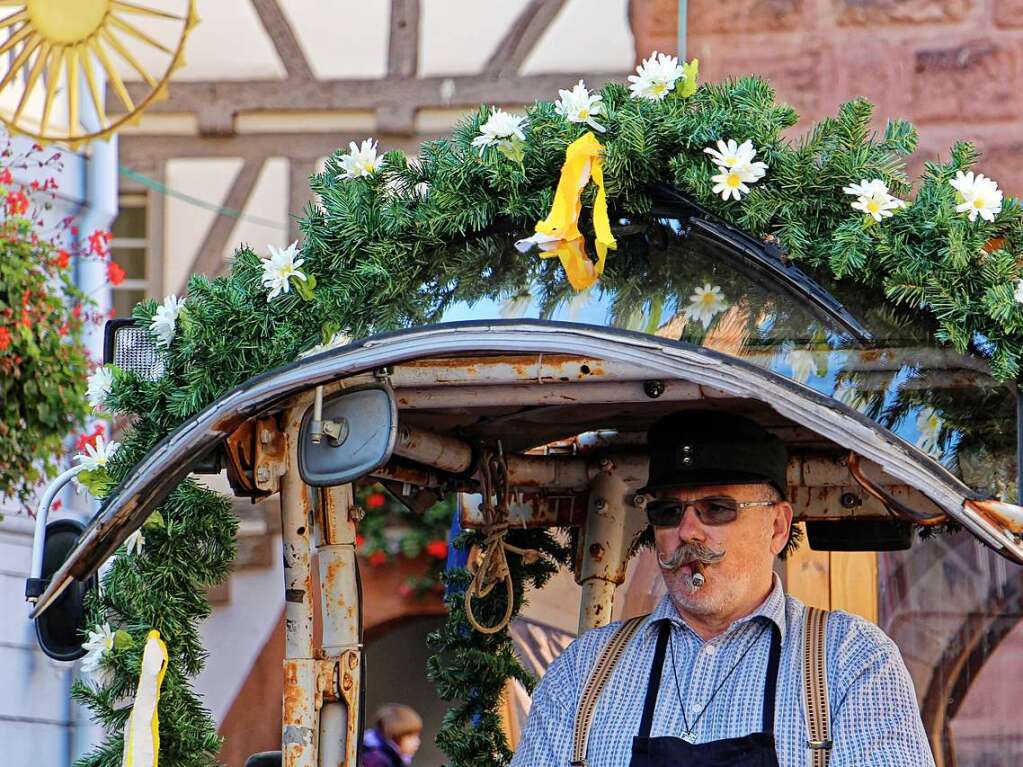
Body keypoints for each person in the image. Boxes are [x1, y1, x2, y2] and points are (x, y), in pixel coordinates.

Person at [511, 410, 936, 766]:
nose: (688, 530)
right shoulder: (584, 671)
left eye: (717, 509)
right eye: (668, 511)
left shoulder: (852, 662)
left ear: (777, 526)